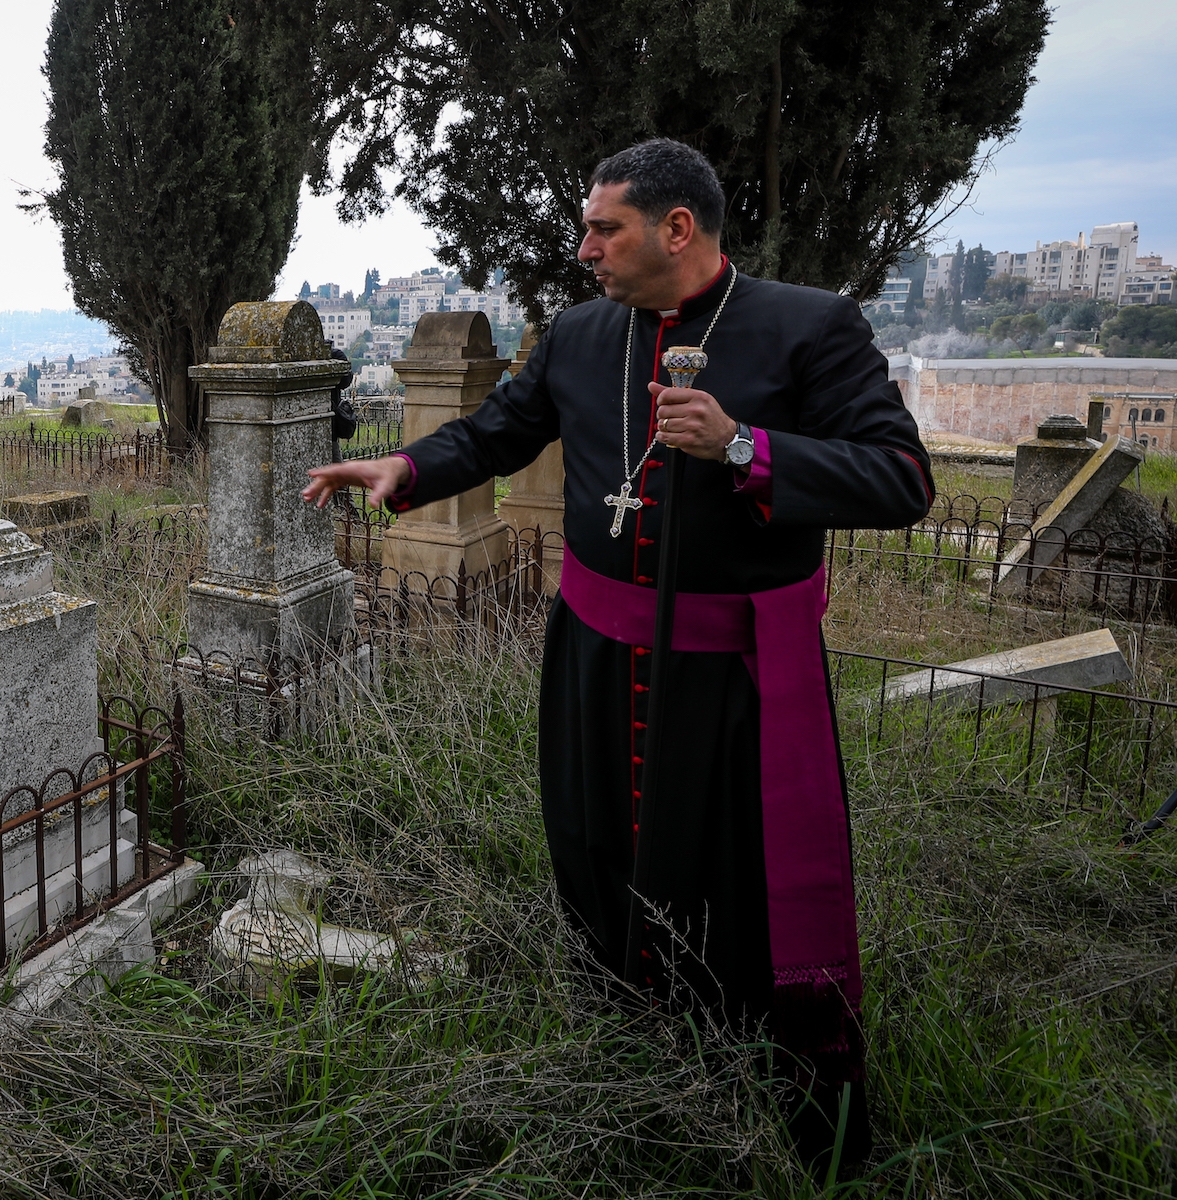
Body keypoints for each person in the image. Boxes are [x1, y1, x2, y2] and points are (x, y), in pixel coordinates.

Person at [303, 138, 929, 1173]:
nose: (584, 248)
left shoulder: (811, 327)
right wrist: (406, 463)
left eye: (605, 229)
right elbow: (503, 431)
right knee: (596, 842)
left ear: (675, 229)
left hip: (738, 678)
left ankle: (747, 1068)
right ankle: (625, 1038)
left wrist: (743, 446)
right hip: (592, 652)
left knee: (738, 873)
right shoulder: (582, 335)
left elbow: (902, 482)